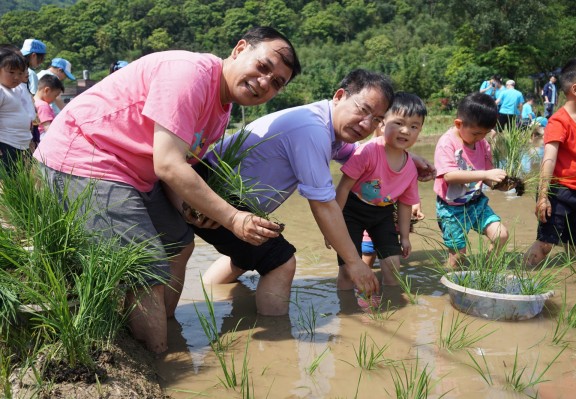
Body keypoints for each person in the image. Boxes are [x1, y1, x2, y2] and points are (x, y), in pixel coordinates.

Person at [32, 26, 302, 353]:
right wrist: (234, 218)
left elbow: (180, 167)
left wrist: (188, 208)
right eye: (263, 67)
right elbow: (168, 165)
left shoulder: (221, 109)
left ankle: (163, 332)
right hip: (87, 156)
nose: (264, 83)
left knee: (179, 241)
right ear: (239, 49)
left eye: (276, 83)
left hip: (135, 172)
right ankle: (161, 359)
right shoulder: (191, 75)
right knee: (148, 266)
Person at [188, 69, 436, 316]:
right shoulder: (313, 130)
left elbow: (356, 154)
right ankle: (278, 339)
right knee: (280, 262)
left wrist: (409, 158)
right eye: (363, 110)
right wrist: (354, 262)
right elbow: (323, 204)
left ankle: (209, 291)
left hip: (216, 183)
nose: (366, 124)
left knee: (249, 254)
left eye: (376, 119)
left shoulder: (328, 125)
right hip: (212, 189)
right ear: (340, 96)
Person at [332, 92, 425, 289]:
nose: (406, 131)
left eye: (414, 126)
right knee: (349, 269)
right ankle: (347, 311)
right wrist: (333, 227)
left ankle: (394, 308)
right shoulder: (368, 151)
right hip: (352, 210)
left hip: (383, 212)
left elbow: (406, 204)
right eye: (398, 123)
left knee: (393, 266)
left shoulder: (410, 167)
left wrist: (405, 237)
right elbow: (343, 187)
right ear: (382, 124)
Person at [524, 56, 576, 267]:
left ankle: (575, 285)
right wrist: (543, 196)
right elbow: (548, 160)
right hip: (560, 193)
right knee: (545, 243)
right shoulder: (559, 121)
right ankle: (521, 280)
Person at [434, 92, 510, 269]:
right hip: (451, 209)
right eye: (476, 133)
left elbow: (489, 177)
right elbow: (449, 176)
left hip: (476, 202)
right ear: (459, 124)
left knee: (501, 235)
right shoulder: (447, 143)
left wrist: (502, 184)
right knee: (458, 255)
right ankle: (448, 284)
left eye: (485, 133)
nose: (480, 138)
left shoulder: (483, 144)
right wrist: (484, 175)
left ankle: (487, 270)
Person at [0, 48, 31, 174]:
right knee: (6, 183)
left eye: (20, 73)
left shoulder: (16, 90)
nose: (16, 77)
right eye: (11, 72)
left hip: (21, 144)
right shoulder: (1, 90)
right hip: (6, 143)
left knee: (19, 181)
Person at [33, 74, 64, 140]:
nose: (54, 99)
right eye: (55, 96)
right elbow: (47, 126)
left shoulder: (33, 102)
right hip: (44, 136)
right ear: (47, 90)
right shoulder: (43, 105)